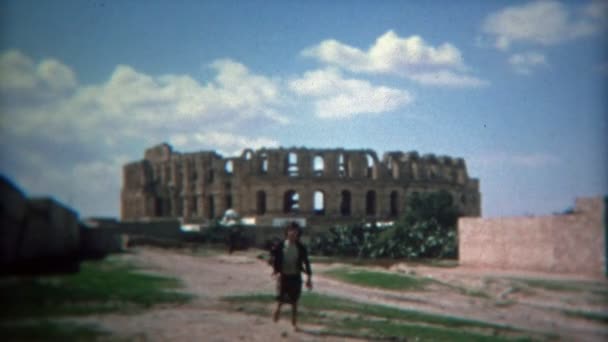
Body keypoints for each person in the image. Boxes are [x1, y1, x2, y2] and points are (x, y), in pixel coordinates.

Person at [270, 221, 312, 331]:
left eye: (295, 232)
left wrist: (309, 278)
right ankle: (278, 311)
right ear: (287, 233)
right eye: (290, 231)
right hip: (284, 276)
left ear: (298, 234)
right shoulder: (281, 245)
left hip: (295, 276)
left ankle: (294, 322)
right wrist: (275, 269)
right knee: (281, 298)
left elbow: (306, 262)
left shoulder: (300, 247)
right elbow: (274, 257)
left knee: (294, 301)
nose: (293, 234)